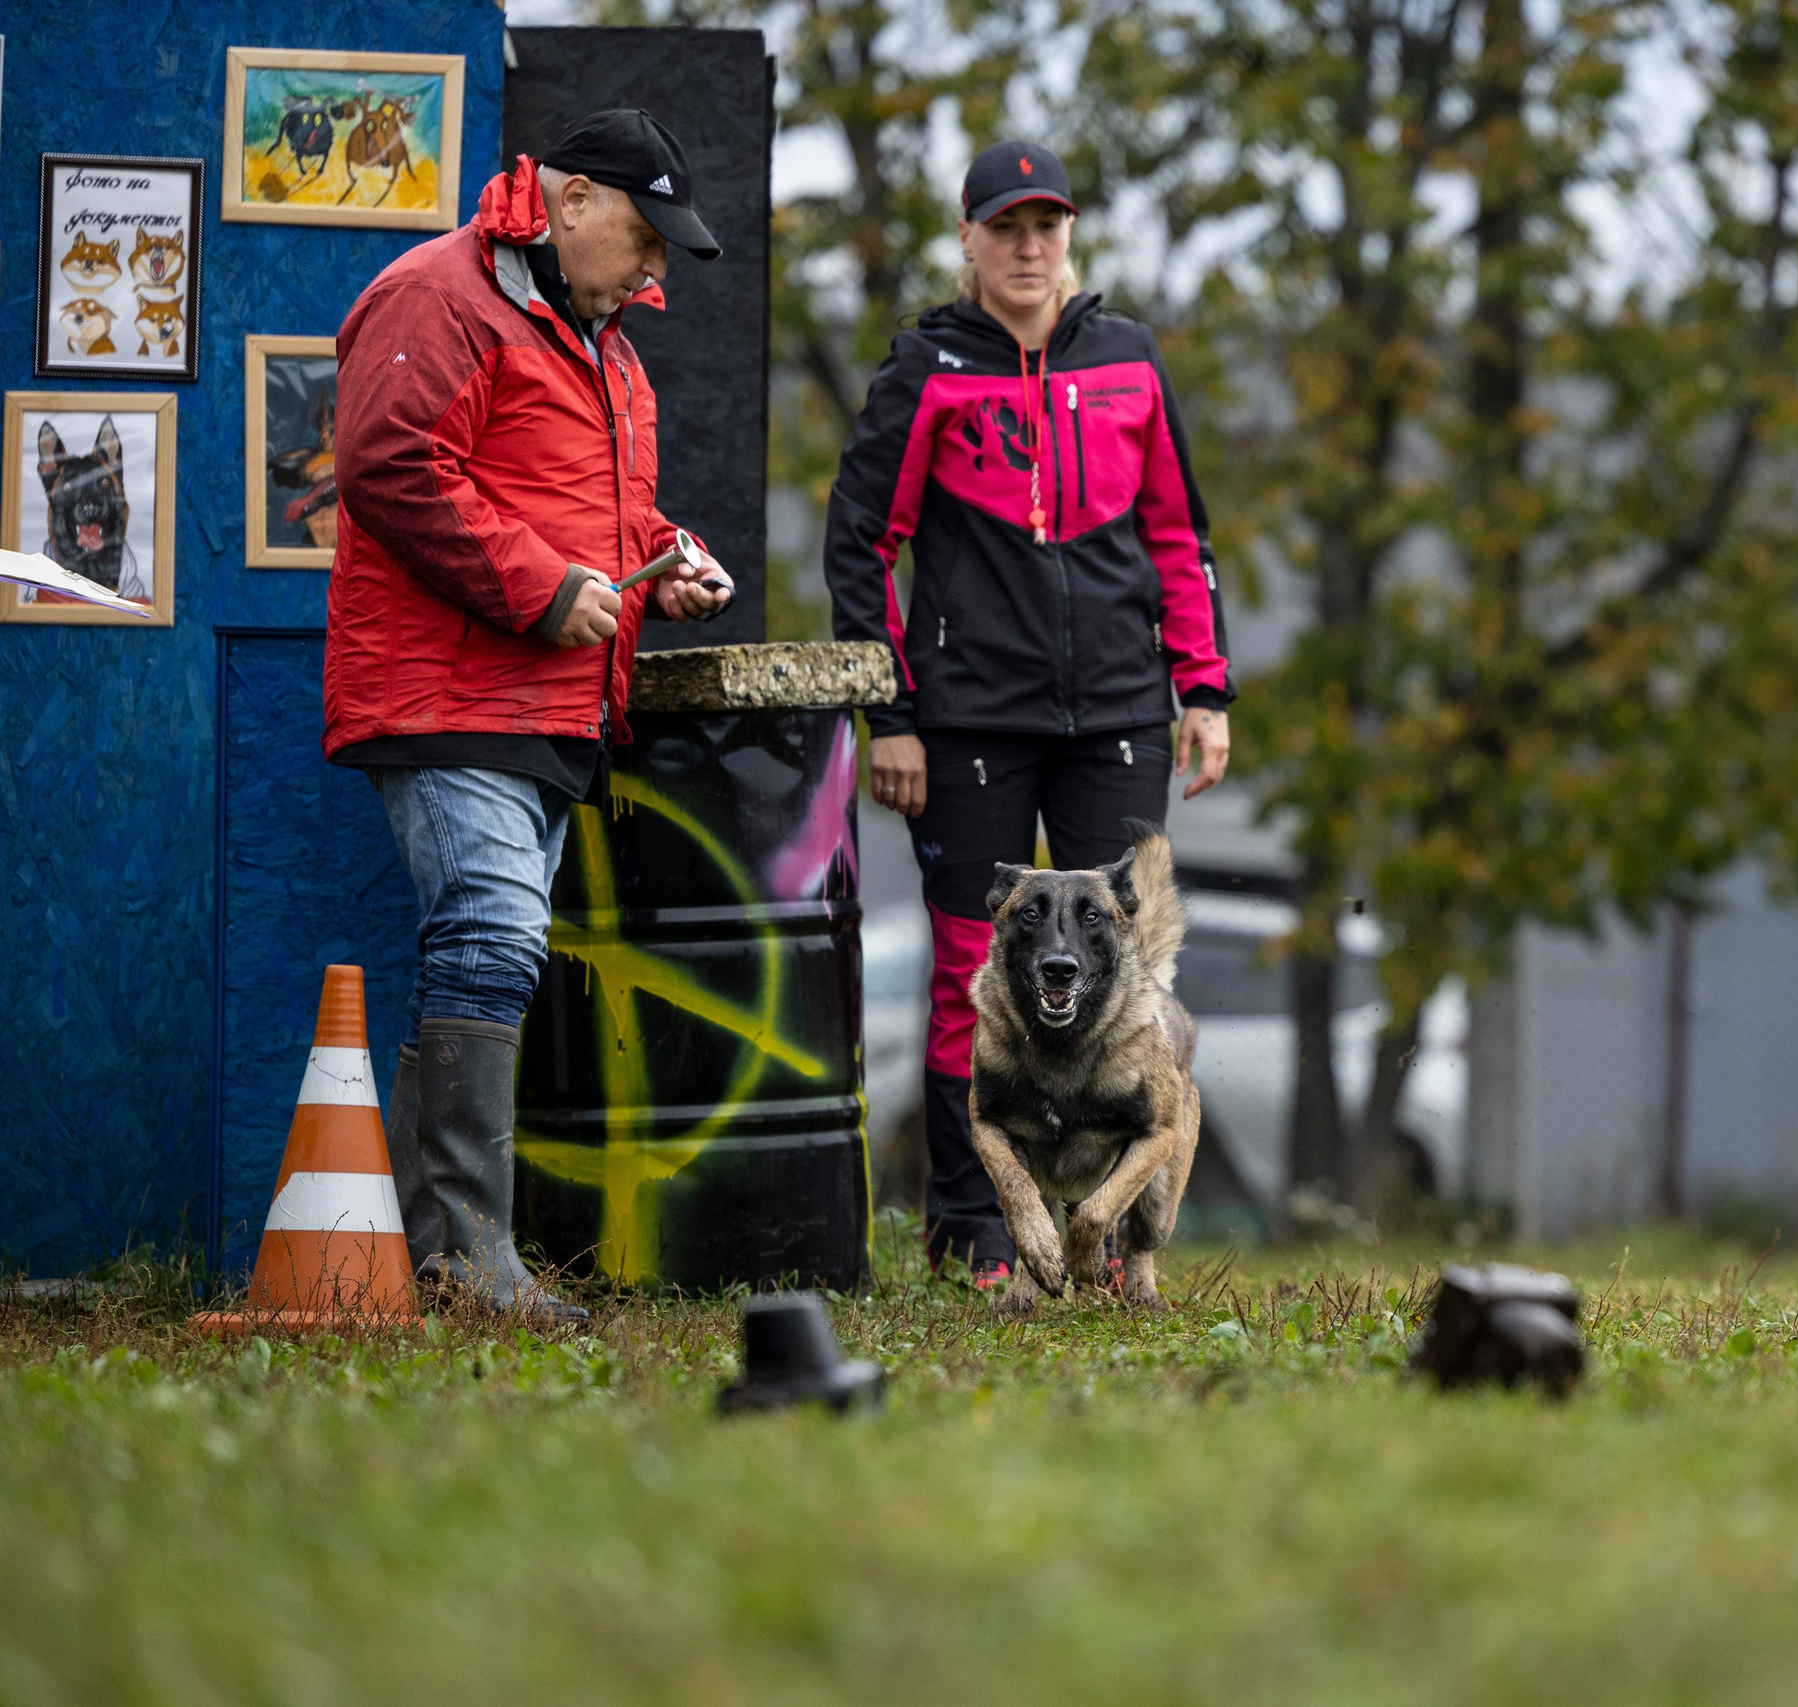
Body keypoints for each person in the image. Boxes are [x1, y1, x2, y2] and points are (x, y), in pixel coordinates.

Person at [323, 109, 735, 1319]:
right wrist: (543, 589)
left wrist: (671, 554)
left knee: (482, 949)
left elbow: (595, 513)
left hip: (546, 707)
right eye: (647, 237)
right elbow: (389, 465)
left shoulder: (603, 340)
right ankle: (462, 1265)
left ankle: (415, 1265)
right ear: (568, 202)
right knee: (493, 942)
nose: (659, 267)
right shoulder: (437, 295)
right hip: (447, 693)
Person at [824, 139, 1234, 1284]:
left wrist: (1203, 690)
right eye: (1005, 227)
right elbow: (860, 544)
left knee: (1128, 973)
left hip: (1116, 712)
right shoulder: (925, 369)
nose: (1027, 247)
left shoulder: (1131, 360)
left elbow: (1177, 539)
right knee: (977, 974)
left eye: (1045, 225)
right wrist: (890, 713)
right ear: (967, 238)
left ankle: (1116, 1235)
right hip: (966, 722)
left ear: (1069, 236)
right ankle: (975, 1234)